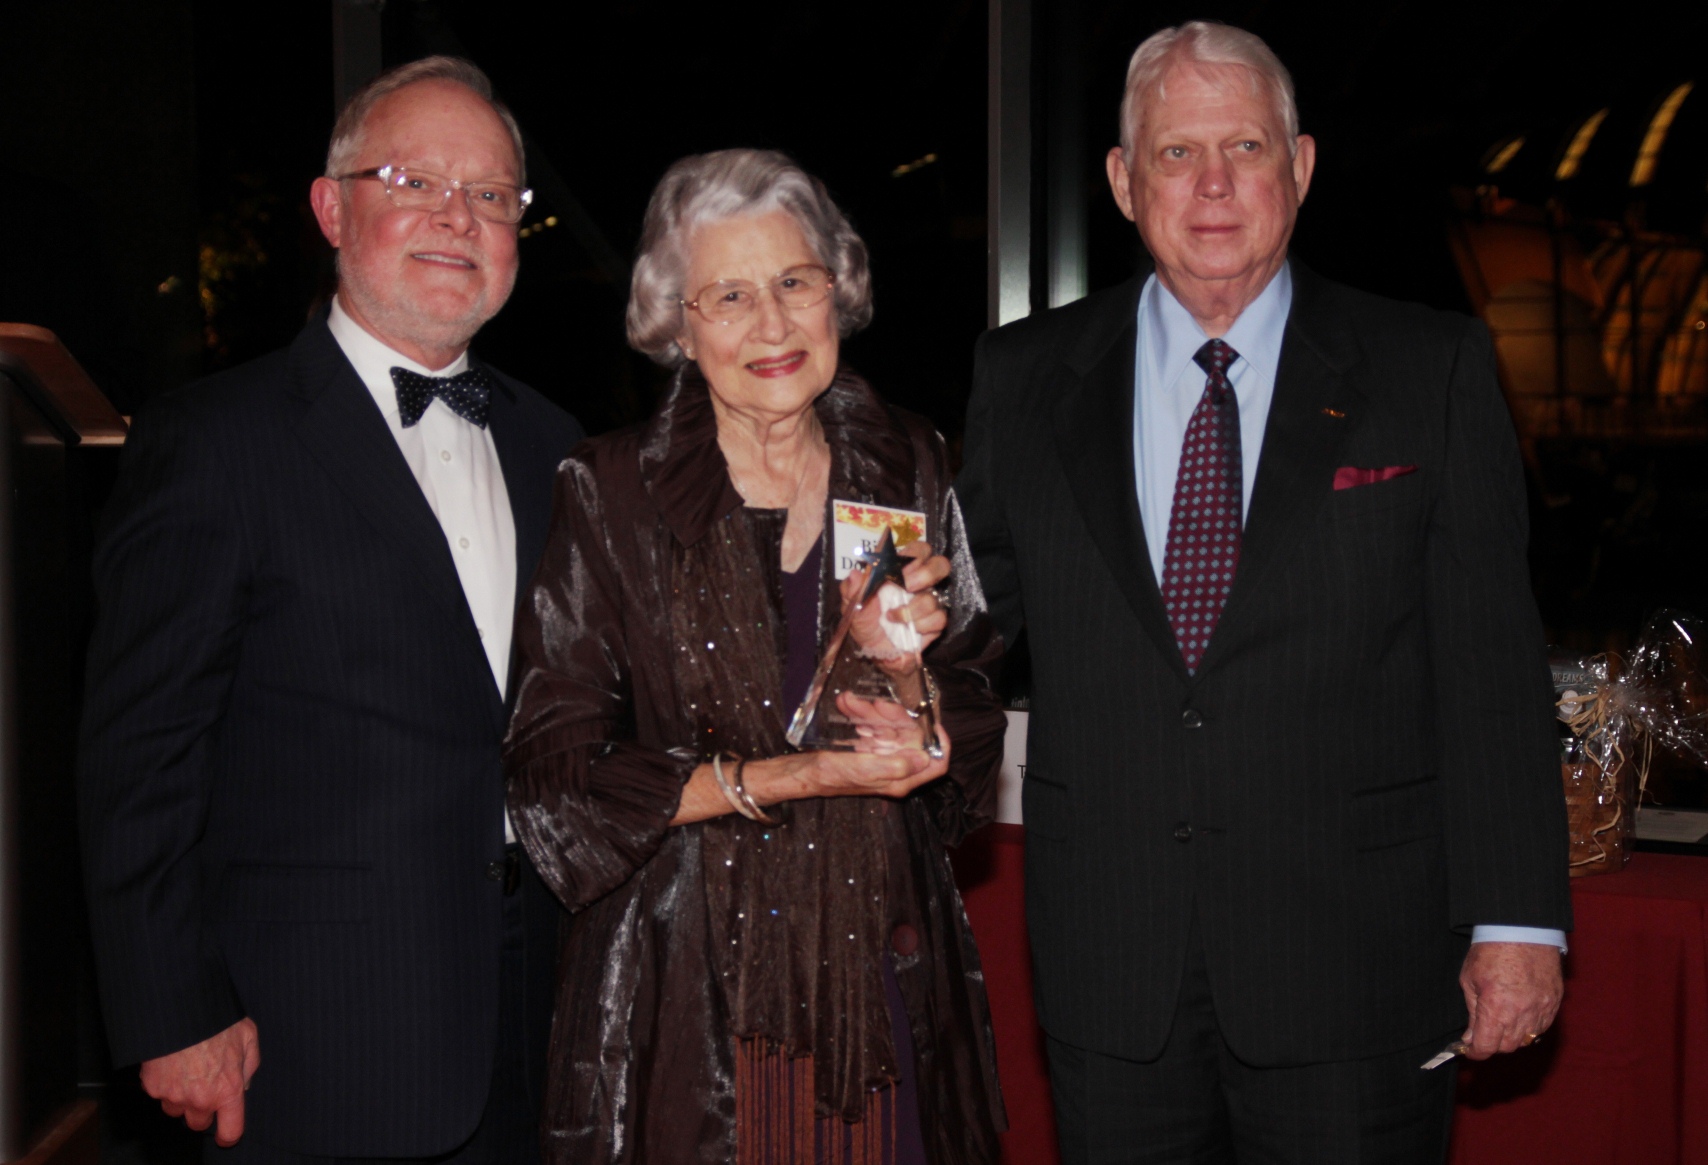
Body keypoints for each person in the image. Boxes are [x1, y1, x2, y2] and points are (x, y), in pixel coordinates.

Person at [957, 21, 1571, 1164]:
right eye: (1178, 153)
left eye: (1244, 145)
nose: (1215, 184)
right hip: (1111, 967)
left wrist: (1517, 919)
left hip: (1356, 967)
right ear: (1122, 181)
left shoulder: (1426, 367)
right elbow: (963, 625)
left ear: (1299, 167)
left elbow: (1488, 663)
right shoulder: (1023, 377)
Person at [78, 56, 582, 1165]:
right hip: (304, 1041)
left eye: (492, 194)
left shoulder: (560, 447)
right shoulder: (215, 444)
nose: (459, 216)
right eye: (414, 179)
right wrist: (173, 1011)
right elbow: (138, 759)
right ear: (331, 205)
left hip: (537, 1018)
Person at [503, 148, 1007, 1165]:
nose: (771, 326)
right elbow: (553, 785)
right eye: (729, 295)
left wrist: (914, 692)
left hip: (880, 981)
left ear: (839, 293)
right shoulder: (609, 491)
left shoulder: (904, 458)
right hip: (682, 999)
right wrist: (802, 775)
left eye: (793, 284)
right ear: (676, 324)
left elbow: (968, 693)